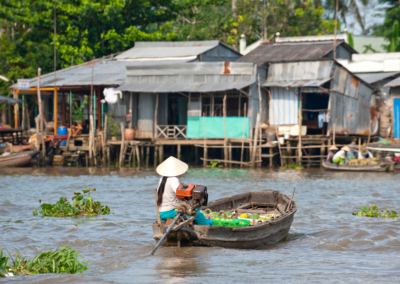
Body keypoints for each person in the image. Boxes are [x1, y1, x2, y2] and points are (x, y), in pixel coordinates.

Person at [156, 156, 211, 226]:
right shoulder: (173, 179)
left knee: (192, 214)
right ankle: (207, 229)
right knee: (199, 215)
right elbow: (181, 194)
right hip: (170, 212)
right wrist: (196, 189)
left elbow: (180, 189)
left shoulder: (162, 178)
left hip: (161, 212)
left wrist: (194, 187)